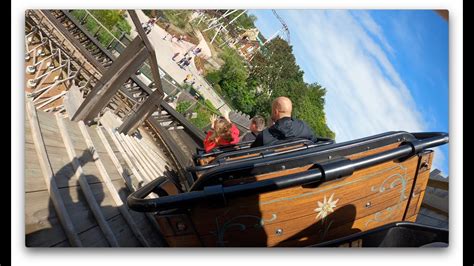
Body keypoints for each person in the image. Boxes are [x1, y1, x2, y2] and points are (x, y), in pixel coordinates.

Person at [251, 96, 319, 147]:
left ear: (276, 112)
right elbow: (314, 142)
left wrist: (269, 128)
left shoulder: (264, 136)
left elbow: (250, 155)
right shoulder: (304, 127)